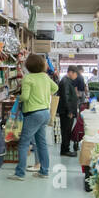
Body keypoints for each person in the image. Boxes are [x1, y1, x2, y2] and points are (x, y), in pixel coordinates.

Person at [9, 53, 59, 181]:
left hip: (33, 113)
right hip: (44, 112)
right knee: (41, 143)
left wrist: (19, 99)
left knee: (24, 143)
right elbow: (55, 88)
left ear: (28, 66)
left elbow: (25, 97)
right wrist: (44, 94)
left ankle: (20, 173)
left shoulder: (28, 78)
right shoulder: (45, 77)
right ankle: (44, 171)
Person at [56, 67, 79, 156]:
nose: (76, 77)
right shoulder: (65, 82)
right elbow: (66, 97)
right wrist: (69, 111)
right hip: (66, 112)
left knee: (67, 131)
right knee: (66, 131)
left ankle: (66, 149)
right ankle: (65, 150)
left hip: (67, 111)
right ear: (70, 72)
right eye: (75, 74)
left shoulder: (67, 81)